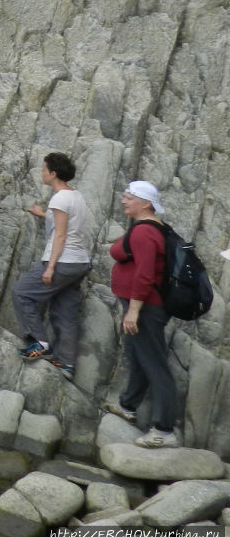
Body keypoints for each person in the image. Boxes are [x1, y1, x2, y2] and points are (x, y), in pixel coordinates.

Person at [103, 180, 180, 448]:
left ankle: (165, 430)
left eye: (129, 197)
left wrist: (134, 311)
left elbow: (145, 274)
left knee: (156, 365)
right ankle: (128, 406)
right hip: (144, 307)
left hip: (146, 308)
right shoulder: (149, 228)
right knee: (138, 357)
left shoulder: (144, 233)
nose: (123, 201)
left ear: (145, 203)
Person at [11, 152, 92, 380]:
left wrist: (50, 267)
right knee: (64, 312)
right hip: (80, 263)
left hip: (62, 261)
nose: (41, 172)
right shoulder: (75, 196)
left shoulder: (58, 199)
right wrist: (42, 214)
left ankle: (40, 342)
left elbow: (61, 235)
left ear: (53, 174)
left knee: (21, 293)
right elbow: (64, 223)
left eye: (44, 169)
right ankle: (66, 364)